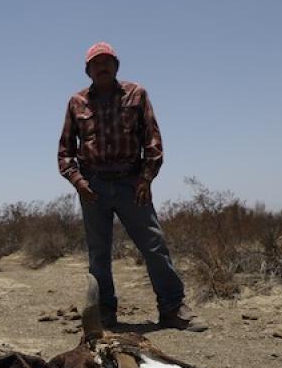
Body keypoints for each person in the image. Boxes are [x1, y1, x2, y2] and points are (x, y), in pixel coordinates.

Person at [58, 42, 205, 331]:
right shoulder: (76, 102)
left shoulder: (136, 94)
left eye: (107, 62)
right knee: (99, 254)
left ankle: (172, 309)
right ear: (87, 70)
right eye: (96, 63)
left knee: (154, 246)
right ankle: (104, 315)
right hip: (93, 187)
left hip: (131, 183)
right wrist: (79, 183)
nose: (102, 67)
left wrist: (146, 179)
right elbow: (65, 152)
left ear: (116, 66)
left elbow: (152, 141)